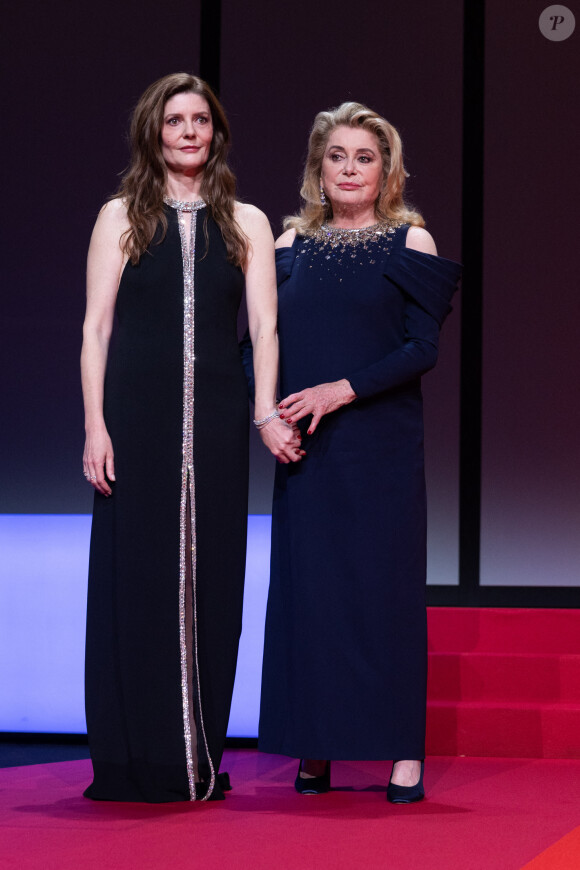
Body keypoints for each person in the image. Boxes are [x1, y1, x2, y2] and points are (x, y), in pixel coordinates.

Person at [81, 73, 300, 803]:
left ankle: (195, 759)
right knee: (136, 578)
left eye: (200, 119)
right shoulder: (119, 216)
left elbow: (266, 326)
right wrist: (94, 423)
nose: (188, 131)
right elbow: (96, 329)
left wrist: (265, 410)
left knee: (212, 581)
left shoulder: (248, 220)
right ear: (154, 130)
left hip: (215, 418)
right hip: (135, 417)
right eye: (175, 119)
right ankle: (130, 760)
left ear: (217, 131)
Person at [258, 102, 461, 803]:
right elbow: (264, 345)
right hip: (304, 449)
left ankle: (404, 753)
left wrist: (339, 390)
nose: (349, 169)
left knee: (384, 600)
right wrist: (268, 419)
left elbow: (422, 349)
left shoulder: (412, 242)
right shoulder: (286, 248)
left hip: (379, 446)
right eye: (336, 156)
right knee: (312, 599)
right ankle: (317, 748)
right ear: (318, 169)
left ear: (387, 171)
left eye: (364, 158)